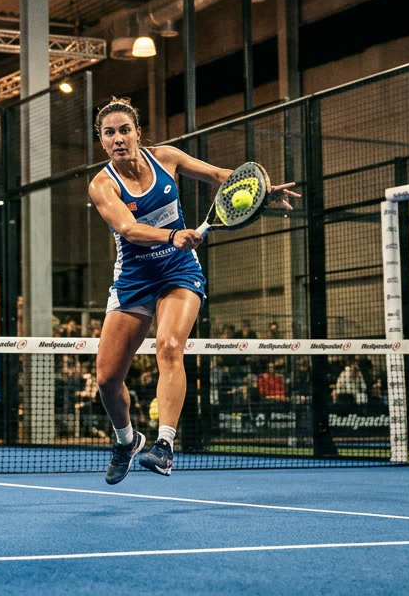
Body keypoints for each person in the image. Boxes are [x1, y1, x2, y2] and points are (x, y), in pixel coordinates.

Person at [87, 98, 296, 484]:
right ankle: (127, 440)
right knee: (106, 380)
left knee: (169, 346)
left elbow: (220, 176)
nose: (118, 138)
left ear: (137, 133)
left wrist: (261, 189)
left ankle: (164, 447)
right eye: (109, 133)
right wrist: (172, 234)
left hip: (179, 270)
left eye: (124, 130)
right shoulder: (102, 185)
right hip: (134, 277)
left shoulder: (165, 158)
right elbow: (130, 230)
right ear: (101, 141)